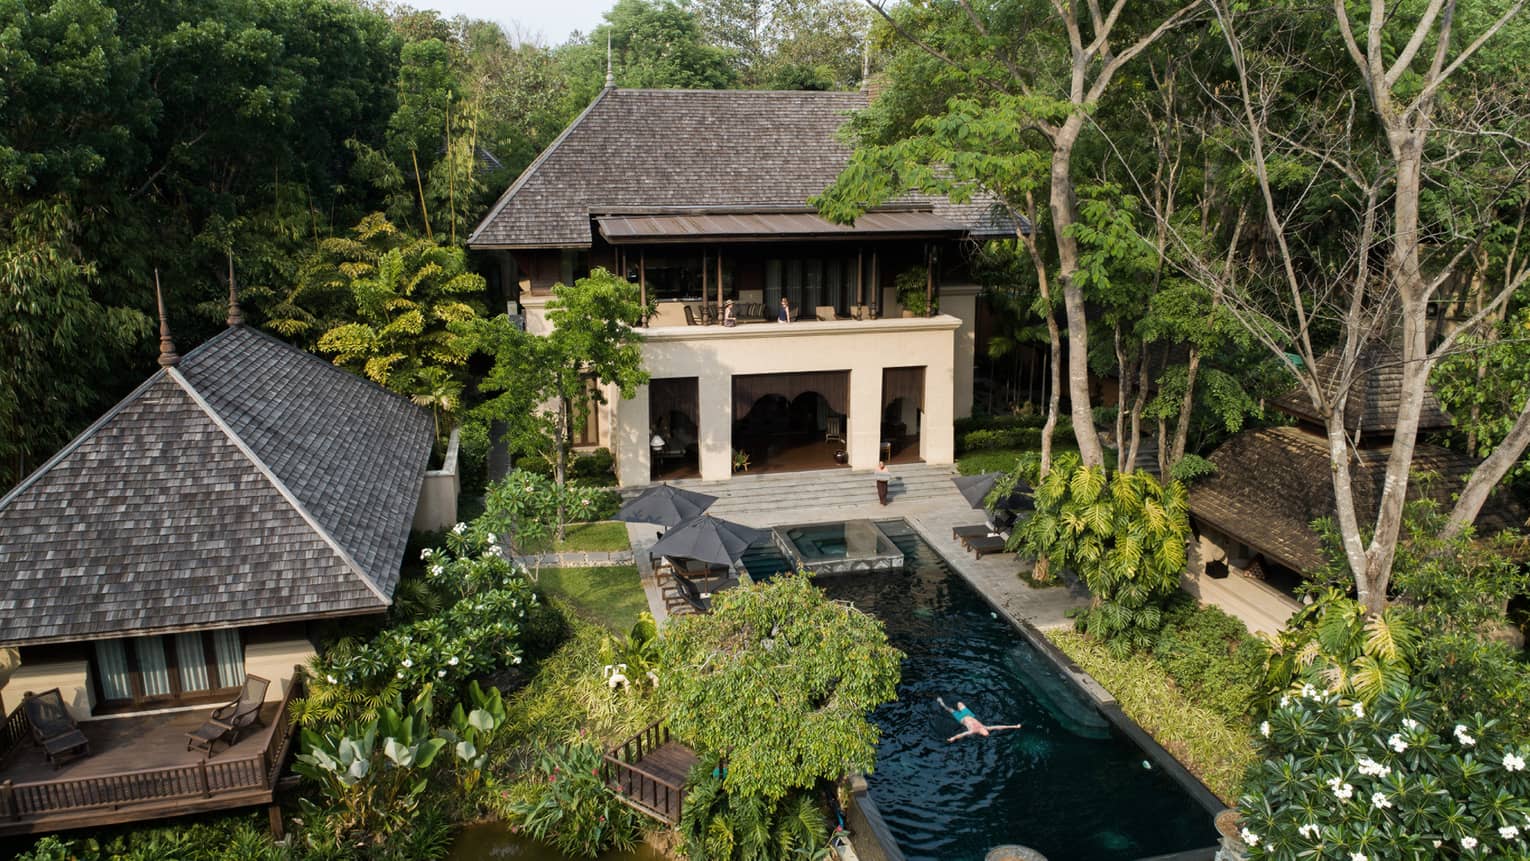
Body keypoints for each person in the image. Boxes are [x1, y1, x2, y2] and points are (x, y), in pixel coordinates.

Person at [938, 697, 1022, 743]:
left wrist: (953, 738)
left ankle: (941, 702)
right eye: (986, 731)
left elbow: (962, 734)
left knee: (949, 709)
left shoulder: (973, 731)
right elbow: (999, 727)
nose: (985, 730)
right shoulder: (986, 727)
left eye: (984, 732)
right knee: (959, 703)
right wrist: (1014, 726)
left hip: (961, 718)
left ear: (981, 733)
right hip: (969, 714)